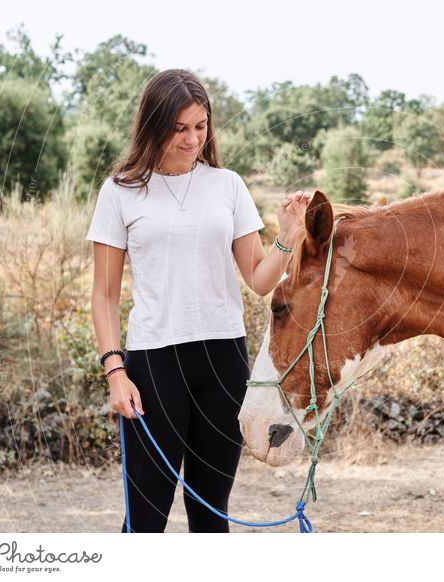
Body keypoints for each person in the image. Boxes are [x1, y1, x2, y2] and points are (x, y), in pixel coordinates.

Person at [86, 69, 310, 532]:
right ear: (153, 125)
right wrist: (115, 372)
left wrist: (288, 237)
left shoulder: (227, 185)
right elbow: (104, 294)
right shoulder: (121, 191)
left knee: (211, 516)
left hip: (222, 362)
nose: (192, 139)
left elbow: (259, 279)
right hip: (153, 364)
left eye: (200, 127)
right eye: (179, 128)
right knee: (145, 519)